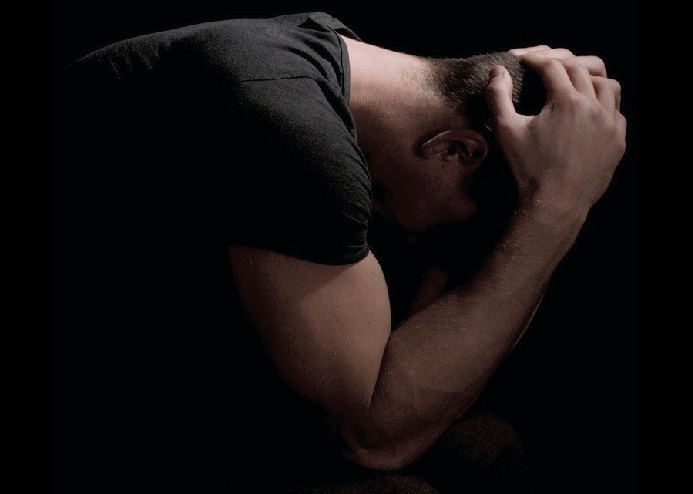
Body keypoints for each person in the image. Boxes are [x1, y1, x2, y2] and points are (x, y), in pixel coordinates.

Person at [52, 11, 626, 493]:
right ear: (455, 149)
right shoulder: (290, 127)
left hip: (175, 378)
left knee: (487, 447)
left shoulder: (320, 56)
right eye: (461, 224)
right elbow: (373, 436)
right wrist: (558, 208)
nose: (433, 238)